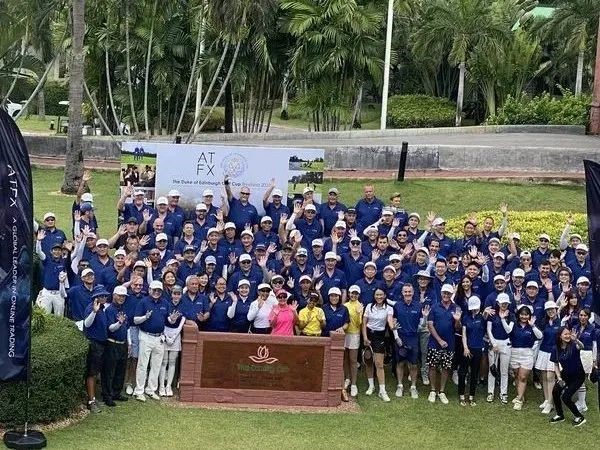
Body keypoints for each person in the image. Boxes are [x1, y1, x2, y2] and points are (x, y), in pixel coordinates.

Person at [501, 304, 543, 410]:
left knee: (523, 377)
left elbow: (540, 336)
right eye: (522, 314)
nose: (524, 317)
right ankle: (521, 395)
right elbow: (507, 331)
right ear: (519, 315)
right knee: (517, 376)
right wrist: (503, 319)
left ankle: (519, 400)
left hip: (527, 354)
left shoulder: (531, 326)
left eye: (526, 315)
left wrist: (533, 326)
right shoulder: (514, 324)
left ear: (529, 315)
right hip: (514, 353)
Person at [425, 284, 462, 404]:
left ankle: (442, 391)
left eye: (448, 293)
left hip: (450, 342)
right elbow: (430, 325)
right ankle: (432, 390)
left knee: (446, 367)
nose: (446, 295)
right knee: (432, 366)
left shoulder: (456, 308)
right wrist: (439, 340)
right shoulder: (435, 307)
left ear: (451, 294)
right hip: (434, 342)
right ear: (441, 293)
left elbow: (458, 328)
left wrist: (457, 321)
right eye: (444, 293)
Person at [133, 280, 169, 402]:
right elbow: (136, 320)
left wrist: (172, 319)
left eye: (159, 290)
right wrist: (145, 317)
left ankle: (151, 389)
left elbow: (168, 320)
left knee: (156, 365)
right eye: (154, 290)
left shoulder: (165, 303)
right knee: (143, 364)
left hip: (159, 338)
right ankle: (139, 390)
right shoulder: (143, 302)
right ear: (149, 290)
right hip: (146, 336)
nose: (156, 292)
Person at [550, 326, 587, 426]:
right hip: (565, 375)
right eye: (565, 334)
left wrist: (576, 340)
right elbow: (556, 365)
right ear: (560, 336)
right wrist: (559, 378)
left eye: (568, 334)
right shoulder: (555, 348)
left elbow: (582, 346)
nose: (567, 336)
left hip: (578, 376)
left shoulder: (574, 345)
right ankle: (560, 415)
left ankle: (579, 417)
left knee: (566, 397)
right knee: (555, 391)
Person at [392, 283, 424, 399]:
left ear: (413, 293)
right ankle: (400, 385)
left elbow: (422, 325)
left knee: (413, 364)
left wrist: (425, 317)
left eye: (409, 291)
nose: (407, 294)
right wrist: (396, 337)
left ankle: (413, 387)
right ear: (402, 293)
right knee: (400, 363)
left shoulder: (419, 306)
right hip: (401, 337)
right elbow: (394, 324)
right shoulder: (397, 306)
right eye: (405, 292)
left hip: (413, 337)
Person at [362, 288, 394, 402]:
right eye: (377, 295)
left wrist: (392, 327)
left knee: (379, 364)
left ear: (384, 295)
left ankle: (382, 391)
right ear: (374, 295)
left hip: (380, 336)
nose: (379, 297)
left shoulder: (389, 308)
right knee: (368, 360)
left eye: (381, 295)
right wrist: (365, 338)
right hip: (368, 334)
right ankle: (371, 386)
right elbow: (364, 323)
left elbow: (390, 320)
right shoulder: (369, 306)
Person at [83, 286, 110, 412]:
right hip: (94, 344)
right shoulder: (91, 308)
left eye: (105, 295)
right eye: (101, 296)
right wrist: (94, 312)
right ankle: (91, 401)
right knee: (91, 373)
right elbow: (86, 324)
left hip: (101, 344)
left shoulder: (103, 309)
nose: (104, 297)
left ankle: (93, 398)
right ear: (95, 297)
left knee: (95, 373)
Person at [102, 285, 130, 406]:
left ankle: (116, 393)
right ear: (114, 295)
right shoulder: (109, 310)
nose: (121, 298)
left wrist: (129, 343)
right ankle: (107, 395)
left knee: (120, 370)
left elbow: (127, 327)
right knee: (109, 371)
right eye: (119, 296)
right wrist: (119, 322)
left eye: (123, 296)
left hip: (122, 343)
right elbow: (110, 328)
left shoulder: (123, 309)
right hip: (112, 343)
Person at [159, 285, 186, 397]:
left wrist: (173, 337)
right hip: (165, 333)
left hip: (176, 335)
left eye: (178, 294)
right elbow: (165, 320)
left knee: (172, 362)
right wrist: (166, 336)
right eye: (174, 293)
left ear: (181, 295)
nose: (176, 296)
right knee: (163, 362)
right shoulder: (166, 304)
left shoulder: (183, 305)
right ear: (171, 294)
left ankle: (168, 386)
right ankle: (161, 386)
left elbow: (182, 322)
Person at [535, 301, 561, 414]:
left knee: (551, 377)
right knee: (544, 377)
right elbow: (540, 335)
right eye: (548, 310)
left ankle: (551, 403)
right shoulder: (544, 322)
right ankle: (546, 400)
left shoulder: (560, 321)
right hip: (543, 351)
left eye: (552, 309)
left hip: (554, 352)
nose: (550, 311)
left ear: (556, 309)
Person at [459, 296, 485, 406]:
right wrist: (465, 347)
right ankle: (461, 395)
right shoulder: (466, 317)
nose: (474, 310)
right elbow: (464, 334)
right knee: (462, 372)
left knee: (474, 373)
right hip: (467, 348)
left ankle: (471, 396)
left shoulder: (482, 317)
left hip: (478, 348)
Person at [486, 293, 513, 404]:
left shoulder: (511, 315)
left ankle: (503, 392)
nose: (504, 305)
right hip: (494, 343)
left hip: (506, 343)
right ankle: (490, 392)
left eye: (506, 303)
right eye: (502, 303)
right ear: (498, 303)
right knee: (492, 369)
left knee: (504, 371)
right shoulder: (492, 314)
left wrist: (502, 319)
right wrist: (493, 343)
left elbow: (508, 330)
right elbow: (489, 330)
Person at [343, 285, 363, 397]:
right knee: (345, 358)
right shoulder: (345, 305)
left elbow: (359, 323)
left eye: (356, 293)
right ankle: (347, 379)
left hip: (354, 334)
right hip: (345, 334)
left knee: (353, 360)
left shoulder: (360, 306)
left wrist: (359, 313)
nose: (353, 295)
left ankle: (354, 384)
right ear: (349, 293)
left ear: (358, 295)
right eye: (352, 293)